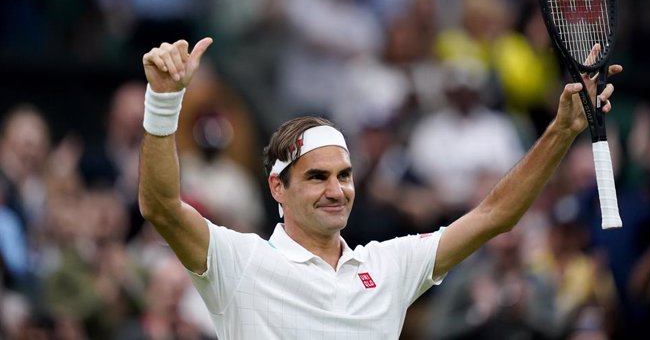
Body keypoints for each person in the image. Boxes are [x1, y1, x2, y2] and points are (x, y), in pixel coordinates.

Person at [137, 38, 621, 339]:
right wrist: (164, 101)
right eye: (316, 176)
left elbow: (496, 214)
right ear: (276, 189)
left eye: (344, 175)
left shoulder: (387, 267)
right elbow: (160, 206)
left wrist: (561, 132)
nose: (336, 190)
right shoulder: (239, 263)